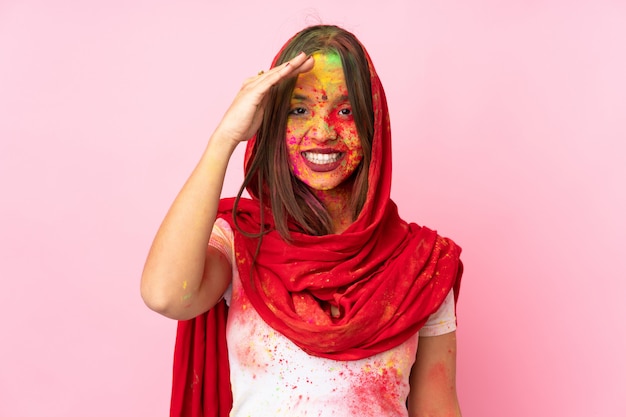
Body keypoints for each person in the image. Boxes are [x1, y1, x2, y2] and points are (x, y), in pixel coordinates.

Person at [141, 25, 464, 417]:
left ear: (372, 123)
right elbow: (166, 295)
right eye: (299, 110)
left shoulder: (420, 265)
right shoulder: (241, 240)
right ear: (274, 126)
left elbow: (437, 407)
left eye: (344, 110)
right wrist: (225, 137)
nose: (322, 131)